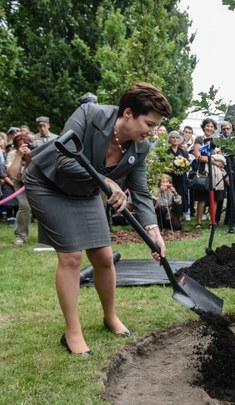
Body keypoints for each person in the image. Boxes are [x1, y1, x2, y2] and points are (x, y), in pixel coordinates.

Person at [24, 82, 172, 356]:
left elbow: (139, 191)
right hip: (49, 184)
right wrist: (107, 182)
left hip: (89, 190)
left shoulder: (140, 148)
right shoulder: (90, 115)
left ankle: (110, 316)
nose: (152, 132)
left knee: (104, 256)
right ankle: (72, 332)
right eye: (149, 124)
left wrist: (154, 230)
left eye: (156, 127)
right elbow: (63, 159)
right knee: (71, 257)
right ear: (128, 113)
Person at [193, 118, 226, 228]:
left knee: (215, 197)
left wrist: (218, 162)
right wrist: (213, 161)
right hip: (203, 170)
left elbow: (220, 155)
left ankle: (212, 222)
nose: (209, 128)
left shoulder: (217, 140)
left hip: (216, 173)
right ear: (203, 127)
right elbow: (198, 155)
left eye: (212, 126)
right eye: (207, 126)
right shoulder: (199, 139)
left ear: (215, 129)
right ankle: (198, 222)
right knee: (202, 197)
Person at [6, 133, 33, 245]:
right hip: (20, 183)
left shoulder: (34, 151)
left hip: (36, 182)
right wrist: (19, 155)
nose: (23, 147)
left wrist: (29, 159)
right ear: (16, 146)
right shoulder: (12, 154)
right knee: (24, 206)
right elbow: (12, 174)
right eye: (19, 145)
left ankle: (48, 238)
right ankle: (20, 236)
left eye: (25, 145)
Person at [165, 131, 190, 221]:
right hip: (170, 178)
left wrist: (183, 168)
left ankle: (178, 218)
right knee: (170, 197)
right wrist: (169, 169)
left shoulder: (183, 151)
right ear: (170, 139)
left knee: (180, 196)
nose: (175, 139)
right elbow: (162, 164)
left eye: (177, 137)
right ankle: (169, 218)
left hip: (181, 178)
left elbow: (187, 165)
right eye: (173, 137)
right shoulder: (166, 151)